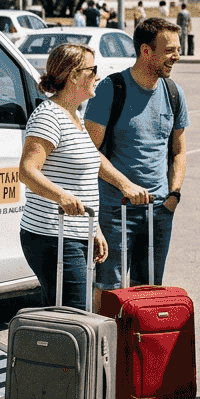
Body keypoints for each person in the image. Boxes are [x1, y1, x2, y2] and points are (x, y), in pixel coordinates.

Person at [85, 18, 188, 295]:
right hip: (116, 209)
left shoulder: (174, 93)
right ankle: (106, 328)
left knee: (149, 291)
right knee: (109, 290)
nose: (177, 57)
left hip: (159, 210)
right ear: (145, 51)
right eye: (170, 50)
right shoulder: (111, 89)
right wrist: (125, 185)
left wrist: (173, 195)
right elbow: (89, 151)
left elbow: (178, 151)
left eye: (178, 50)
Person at [18, 43, 119, 311]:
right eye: (92, 70)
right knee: (75, 314)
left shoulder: (74, 115)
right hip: (53, 235)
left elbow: (82, 181)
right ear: (74, 75)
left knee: (66, 315)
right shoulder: (48, 116)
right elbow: (27, 171)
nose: (97, 76)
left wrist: (93, 229)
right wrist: (62, 197)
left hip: (74, 234)